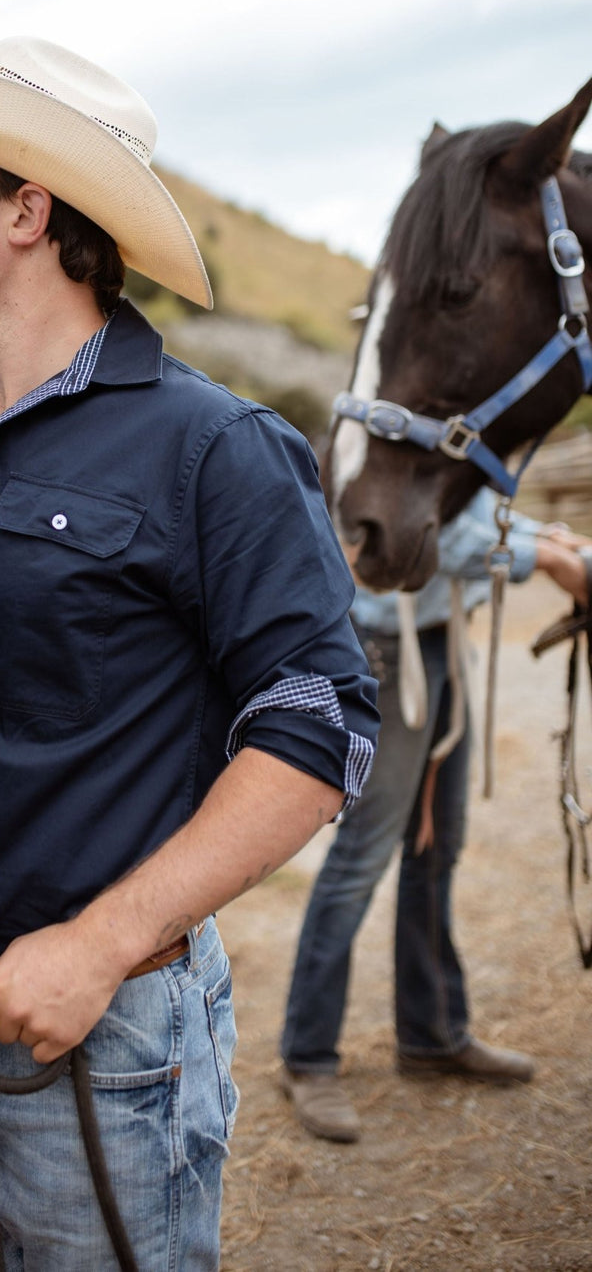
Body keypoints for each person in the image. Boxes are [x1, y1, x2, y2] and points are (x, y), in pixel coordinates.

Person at [0, 37, 379, 1270]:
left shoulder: (213, 446)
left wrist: (101, 943)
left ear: (27, 211)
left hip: (112, 1024)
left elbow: (317, 727)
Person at [279, 487, 590, 1144]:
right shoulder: (392, 429)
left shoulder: (459, 432)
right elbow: (417, 536)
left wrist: (546, 535)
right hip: (391, 648)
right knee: (362, 855)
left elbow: (470, 507)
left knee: (437, 845)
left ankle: (432, 1033)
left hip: (442, 637)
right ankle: (307, 1055)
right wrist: (547, 558)